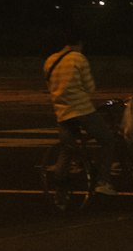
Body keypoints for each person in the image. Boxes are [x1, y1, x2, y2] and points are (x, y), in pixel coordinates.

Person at [43, 28, 117, 202]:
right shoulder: (78, 58)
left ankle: (59, 192)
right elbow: (90, 87)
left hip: (62, 112)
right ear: (78, 43)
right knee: (107, 140)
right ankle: (103, 181)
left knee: (67, 149)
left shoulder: (50, 61)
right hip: (82, 110)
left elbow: (51, 86)